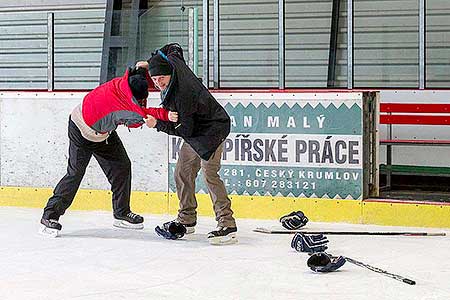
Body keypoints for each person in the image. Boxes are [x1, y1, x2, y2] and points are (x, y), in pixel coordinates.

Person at [39, 67, 178, 237]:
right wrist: (166, 114)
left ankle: (121, 213)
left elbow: (141, 70)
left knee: (122, 166)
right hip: (81, 130)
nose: (142, 102)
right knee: (75, 173)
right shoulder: (123, 107)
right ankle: (50, 216)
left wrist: (146, 68)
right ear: (132, 97)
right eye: (139, 100)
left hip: (103, 134)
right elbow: (141, 118)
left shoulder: (127, 81)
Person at [142, 43, 237, 245]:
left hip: (212, 129)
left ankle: (227, 224)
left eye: (162, 78)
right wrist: (149, 62)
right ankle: (187, 219)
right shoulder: (174, 63)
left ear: (170, 74)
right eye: (154, 79)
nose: (159, 83)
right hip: (196, 129)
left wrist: (157, 124)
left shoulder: (182, 95)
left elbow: (184, 130)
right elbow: (172, 48)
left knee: (209, 173)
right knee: (182, 171)